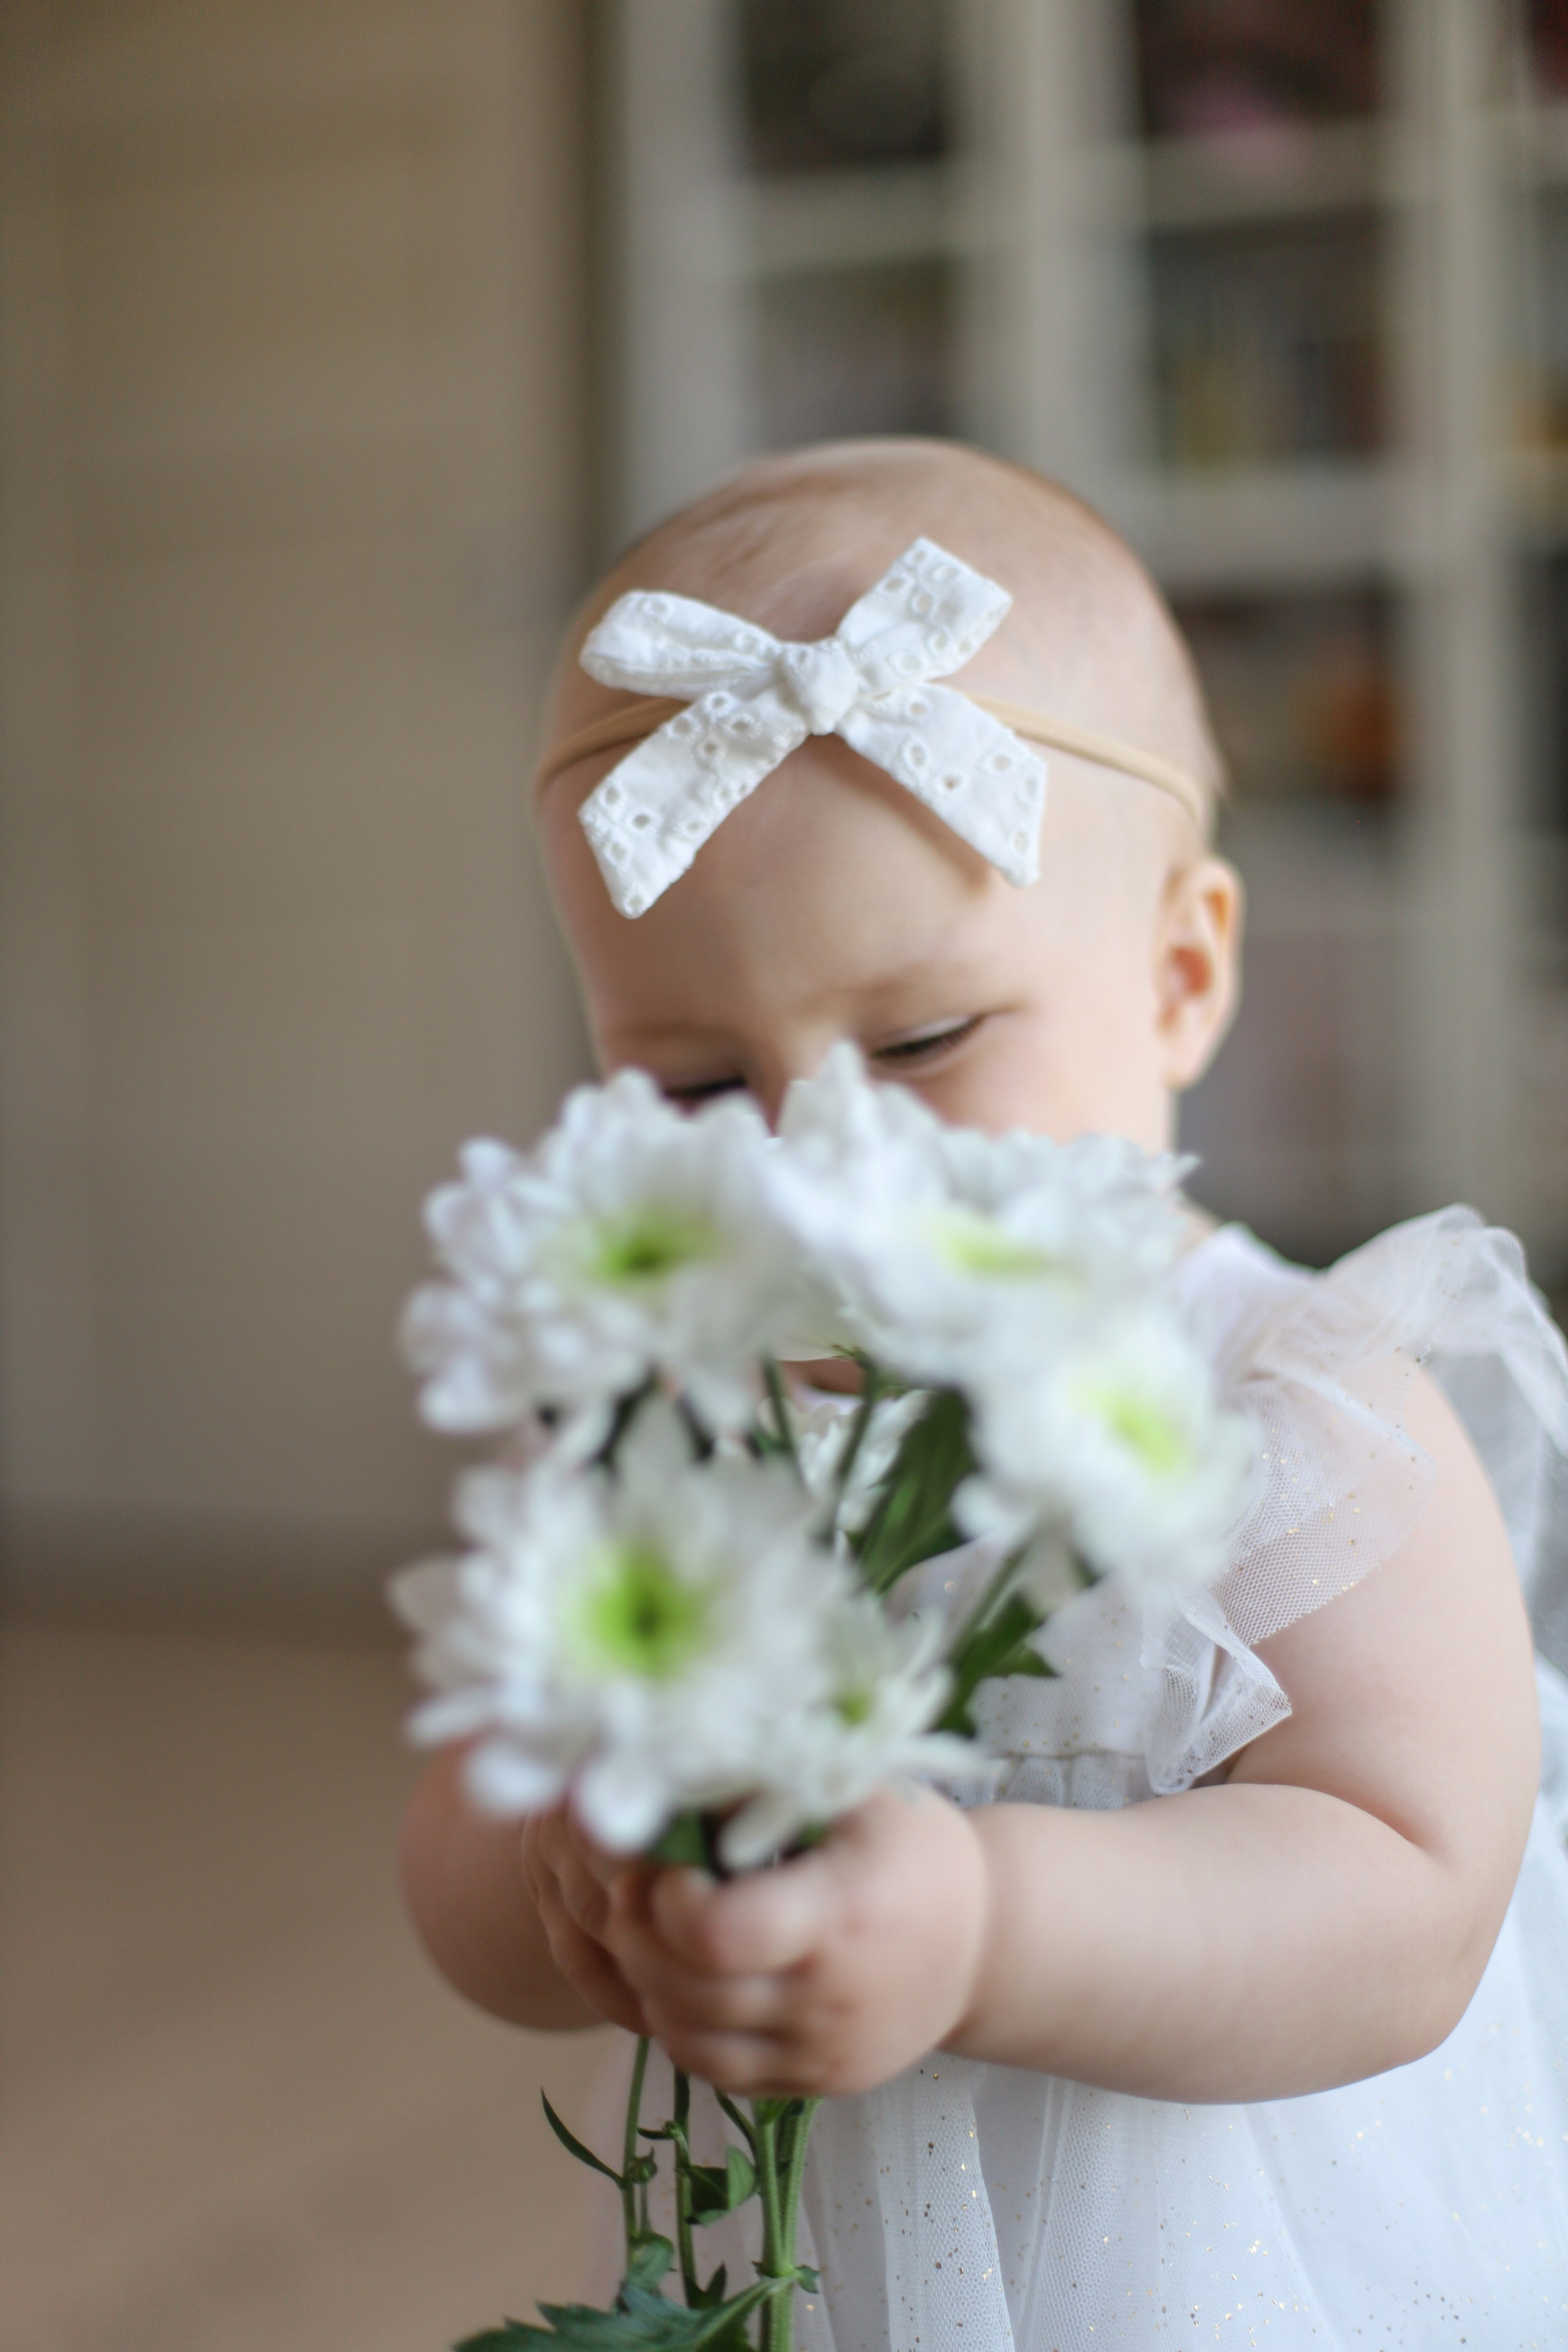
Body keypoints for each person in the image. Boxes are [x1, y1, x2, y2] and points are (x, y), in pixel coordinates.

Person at [398, 439, 1568, 2346]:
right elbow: (457, 1831)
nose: (816, 1158)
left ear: (1182, 977)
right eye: (694, 1086)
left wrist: (991, 1927)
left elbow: (1411, 1897)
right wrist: (556, 1866)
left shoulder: (1295, 1414)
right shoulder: (667, 1420)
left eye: (925, 1039)